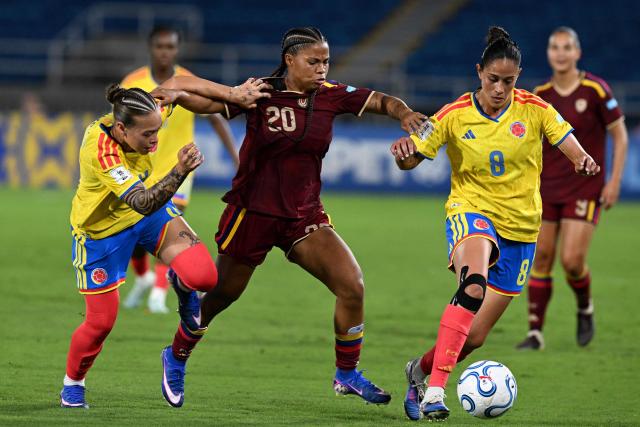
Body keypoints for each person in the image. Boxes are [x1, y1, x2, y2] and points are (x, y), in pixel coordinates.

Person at [153, 26, 426, 408]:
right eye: (313, 61)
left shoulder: (332, 96)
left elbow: (381, 100)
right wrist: (177, 95)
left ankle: (346, 373)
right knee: (219, 298)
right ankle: (176, 355)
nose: (321, 69)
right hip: (253, 212)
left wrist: (405, 112)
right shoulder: (259, 92)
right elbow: (208, 104)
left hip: (304, 216)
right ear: (289, 60)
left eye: (326, 61)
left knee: (352, 285)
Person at [390, 26, 600, 421]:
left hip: (521, 229)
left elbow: (568, 143)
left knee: (474, 337)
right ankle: (435, 392)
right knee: (473, 284)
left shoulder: (534, 108)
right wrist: (404, 153)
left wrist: (581, 159)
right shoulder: (453, 114)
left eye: (508, 81)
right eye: (492, 80)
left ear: (517, 79)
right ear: (478, 73)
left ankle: (418, 372)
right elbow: (413, 157)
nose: (500, 88)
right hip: (471, 212)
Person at [60, 79, 268, 409]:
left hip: (147, 217)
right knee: (101, 323)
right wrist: (179, 170)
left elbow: (177, 85)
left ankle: (181, 286)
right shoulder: (101, 152)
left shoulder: (144, 111)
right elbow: (142, 200)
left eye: (158, 130)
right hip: (102, 232)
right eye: (148, 135)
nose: (156, 140)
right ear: (121, 130)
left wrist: (234, 94)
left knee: (205, 278)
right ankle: (73, 383)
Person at [516, 27, 628, 350]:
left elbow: (619, 135)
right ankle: (535, 332)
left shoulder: (596, 90)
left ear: (577, 53)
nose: (561, 53)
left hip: (585, 186)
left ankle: (584, 306)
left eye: (567, 47)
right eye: (555, 47)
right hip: (545, 188)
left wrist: (614, 181)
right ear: (549, 53)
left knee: (571, 261)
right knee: (542, 258)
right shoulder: (539, 94)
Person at [121, 26, 240, 314]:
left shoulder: (187, 81)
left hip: (179, 170)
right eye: (160, 46)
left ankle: (158, 295)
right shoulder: (134, 82)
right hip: (141, 170)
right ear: (151, 48)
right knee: (136, 240)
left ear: (177, 49)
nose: (165, 52)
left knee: (168, 231)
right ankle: (144, 278)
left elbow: (215, 118)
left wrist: (237, 159)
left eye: (170, 47)